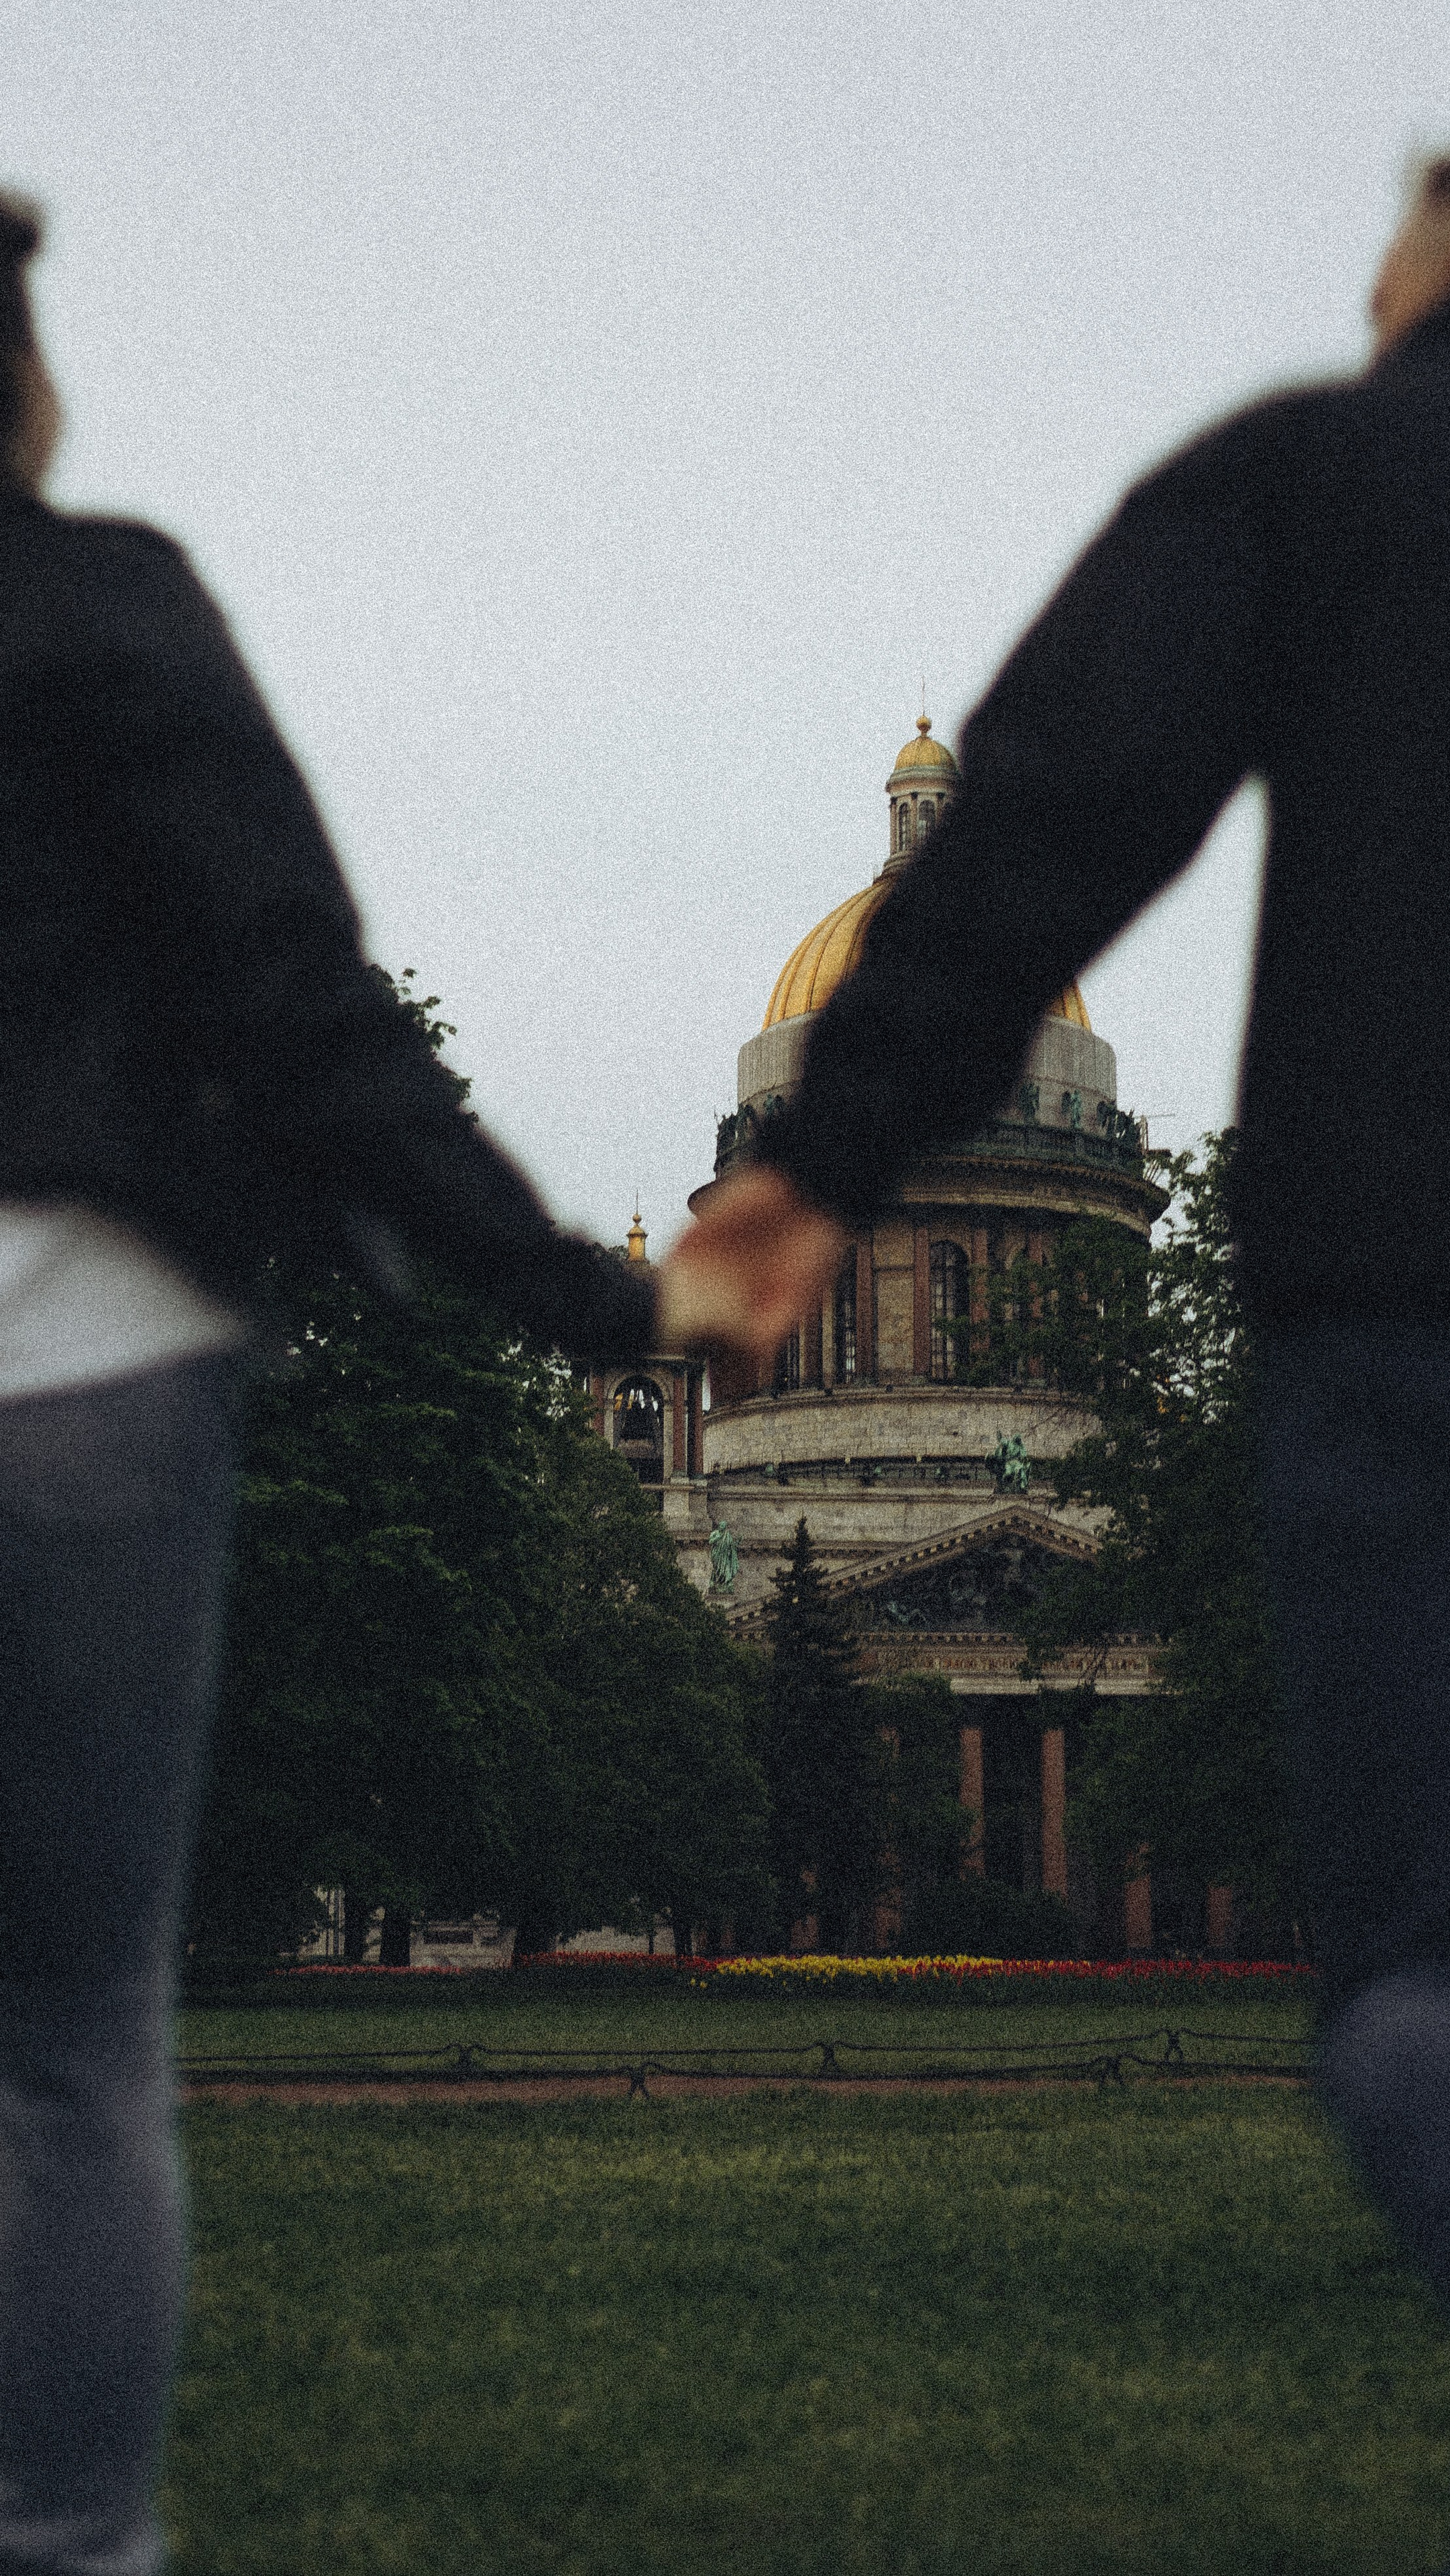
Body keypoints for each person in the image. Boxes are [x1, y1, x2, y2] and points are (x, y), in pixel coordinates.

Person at [661, 148, 1450, 2574]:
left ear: (1445, 273)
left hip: (1413, 1325)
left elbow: (1054, 815)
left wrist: (820, 1159)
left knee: (1419, 1991)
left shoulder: (1322, 469)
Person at [0, 197, 653, 2576]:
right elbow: (304, 1010)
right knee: (76, 2042)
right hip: (89, 1362)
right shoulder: (107, 606)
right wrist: (584, 1301)